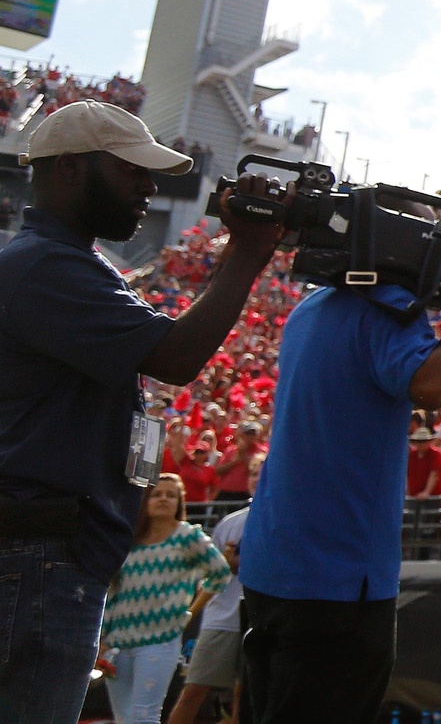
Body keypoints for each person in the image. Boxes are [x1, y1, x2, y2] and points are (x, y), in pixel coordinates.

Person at [0, 102, 283, 723]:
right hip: (35, 556)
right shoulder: (46, 266)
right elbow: (175, 356)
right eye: (132, 171)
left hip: (43, 554)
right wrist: (247, 251)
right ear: (71, 170)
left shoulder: (64, 260)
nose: (150, 188)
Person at [236, 218, 441, 724]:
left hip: (276, 562)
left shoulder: (313, 307)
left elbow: (388, 384)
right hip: (336, 572)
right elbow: (428, 386)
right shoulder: (385, 308)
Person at [99, 472, 229, 722]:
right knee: (122, 717)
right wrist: (103, 639)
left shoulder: (189, 537)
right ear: (144, 500)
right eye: (157, 494)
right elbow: (113, 593)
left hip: (159, 640)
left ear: (180, 502)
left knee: (143, 715)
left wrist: (191, 611)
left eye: (171, 495)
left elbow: (220, 573)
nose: (163, 499)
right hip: (117, 644)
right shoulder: (128, 539)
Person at [169, 502, 248, 724]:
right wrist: (227, 562)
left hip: (262, 620)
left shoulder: (288, 518)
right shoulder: (232, 522)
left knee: (241, 700)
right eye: (252, 473)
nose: (257, 479)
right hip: (221, 620)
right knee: (193, 691)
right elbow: (210, 574)